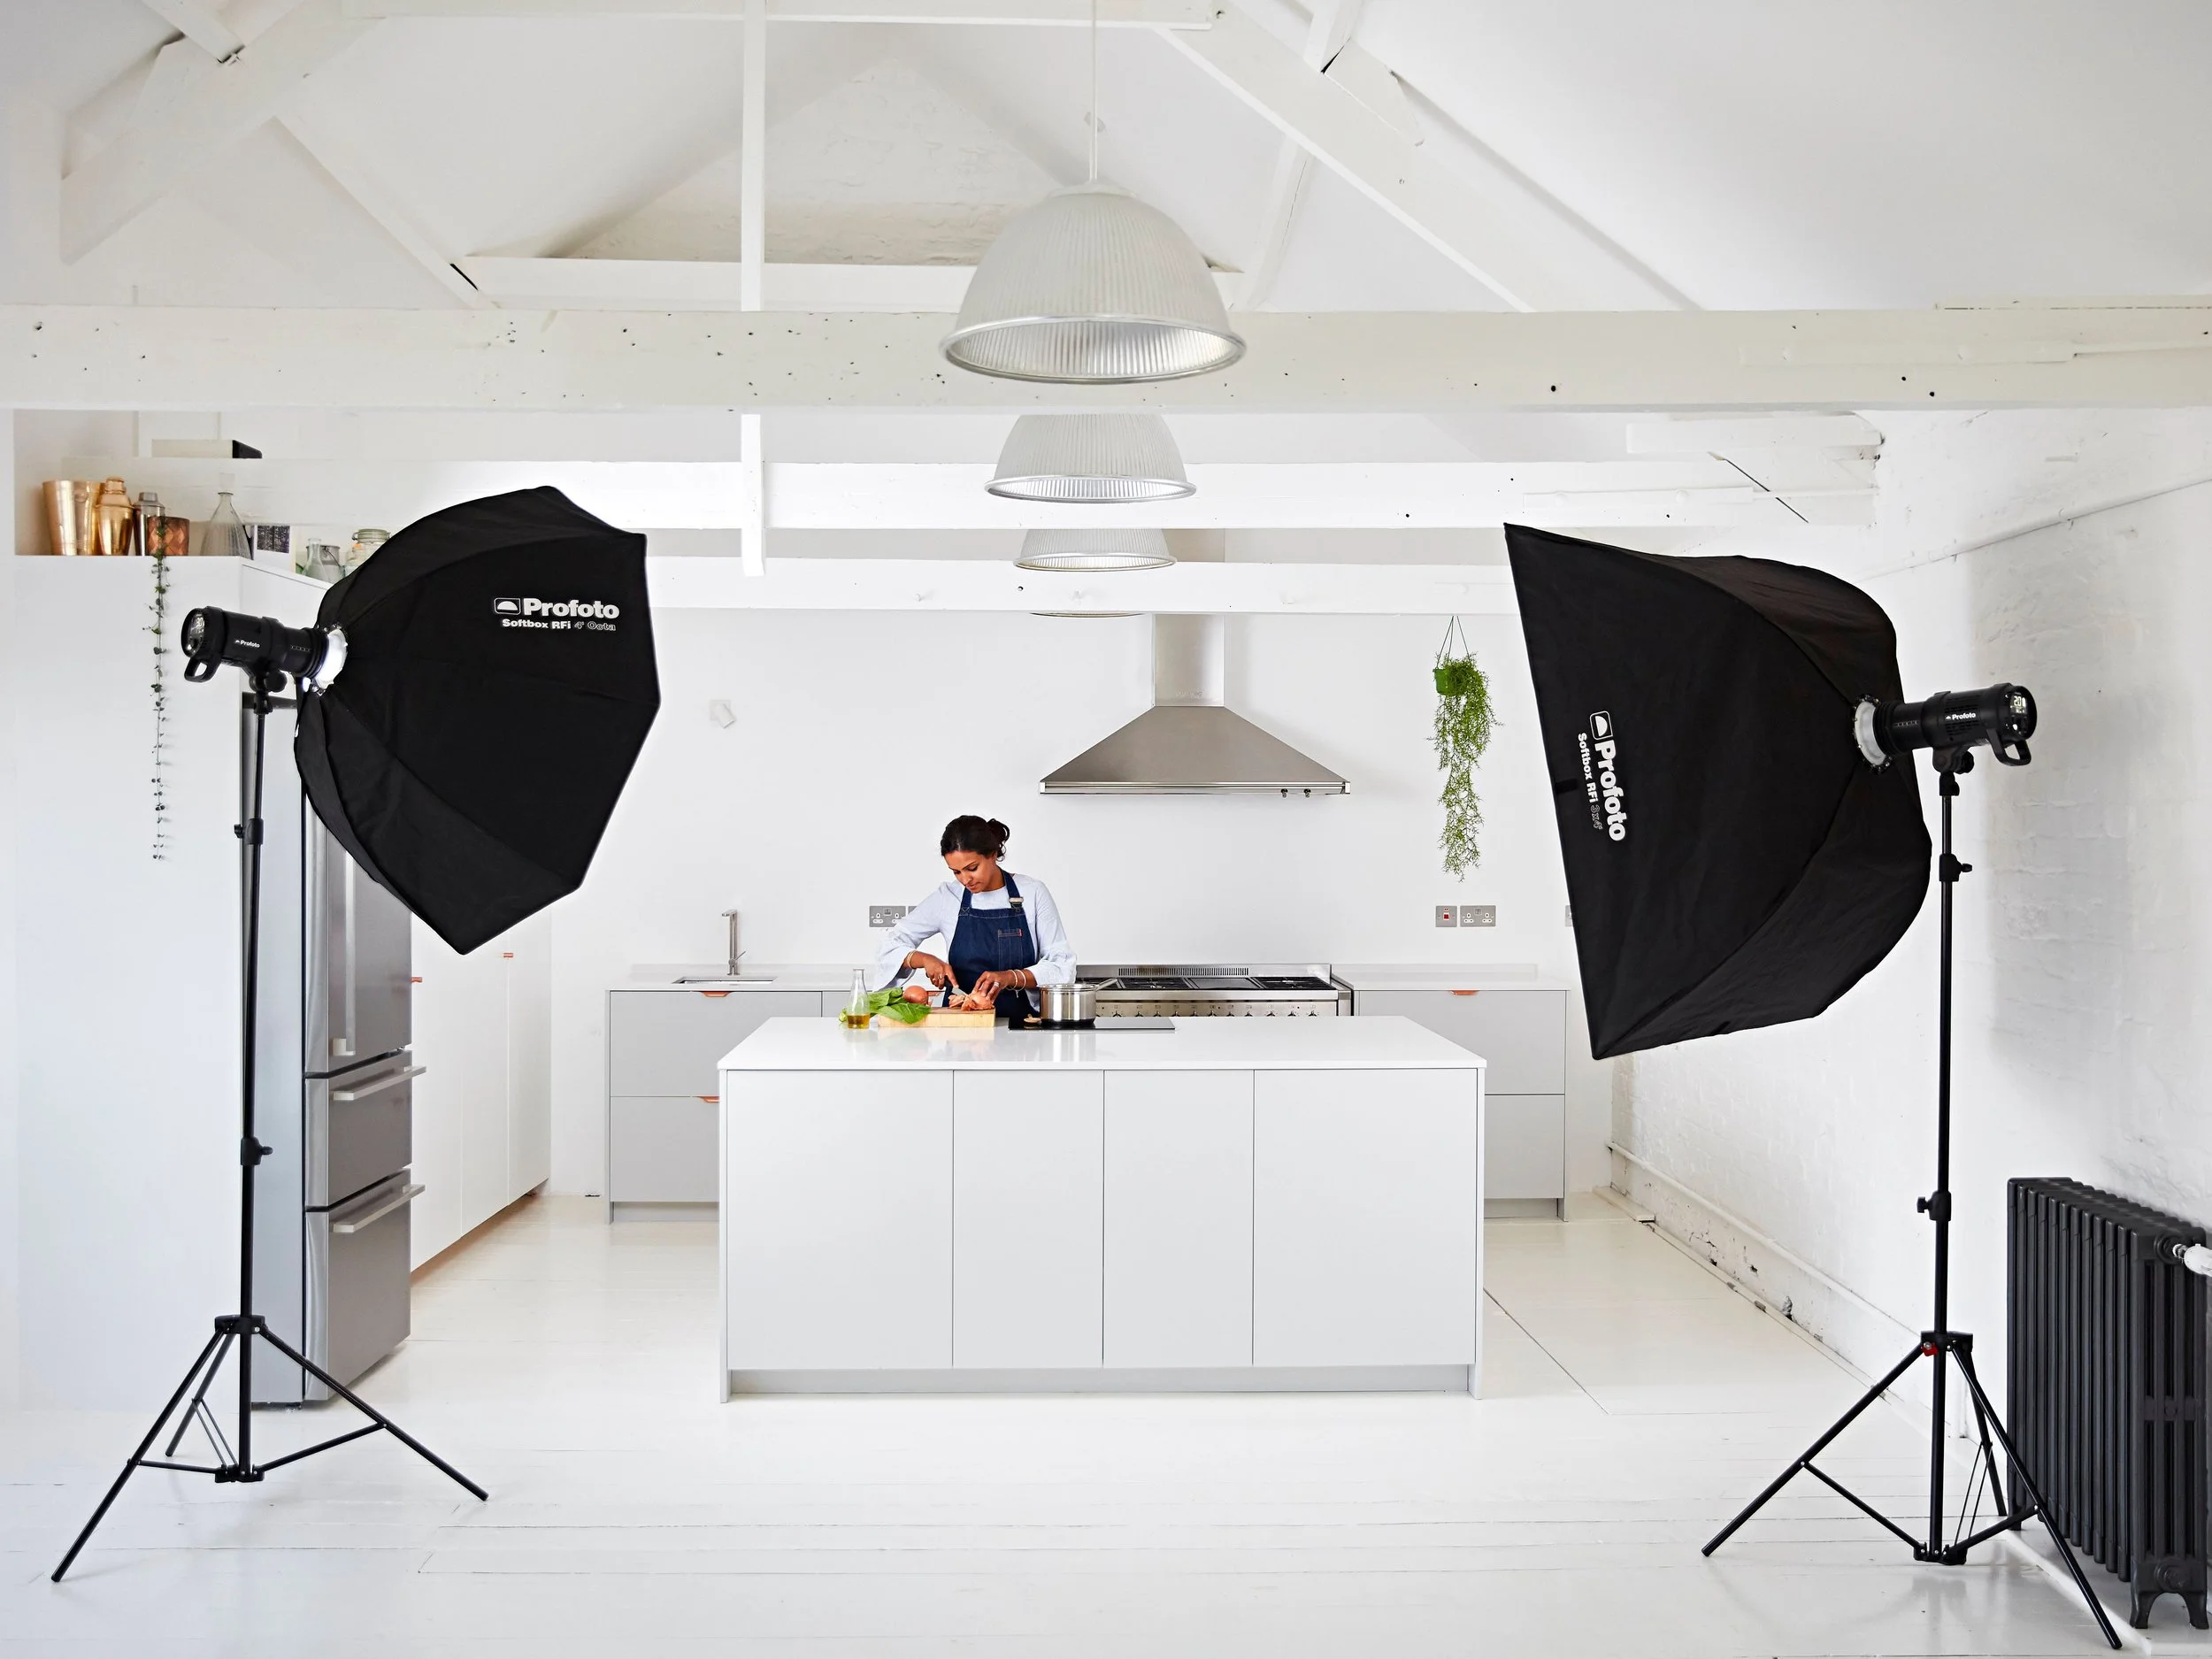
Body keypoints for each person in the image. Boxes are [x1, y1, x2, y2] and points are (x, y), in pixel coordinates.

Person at [876, 815, 1075, 1018]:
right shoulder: (948, 897)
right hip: (960, 1023)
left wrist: (1010, 977)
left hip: (1019, 1022)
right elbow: (890, 943)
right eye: (956, 872)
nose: (965, 880)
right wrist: (925, 959)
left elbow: (1062, 965)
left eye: (972, 868)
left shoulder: (1032, 892)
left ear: (992, 854)